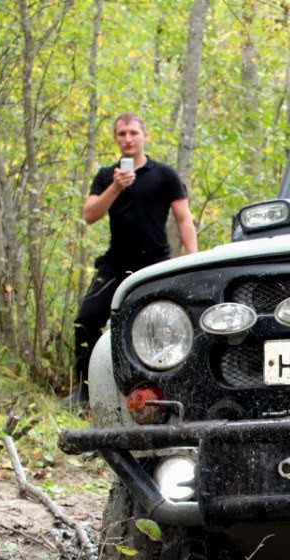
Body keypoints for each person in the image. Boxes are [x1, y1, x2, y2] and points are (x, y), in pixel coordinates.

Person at [66, 112, 197, 408]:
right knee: (86, 320)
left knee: (161, 325)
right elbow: (90, 215)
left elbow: (183, 218)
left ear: (144, 136)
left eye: (132, 133)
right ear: (115, 138)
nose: (127, 139)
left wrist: (193, 258)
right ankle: (84, 392)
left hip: (154, 265)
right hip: (114, 265)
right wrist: (116, 187)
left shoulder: (164, 175)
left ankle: (164, 392)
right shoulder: (107, 176)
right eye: (121, 133)